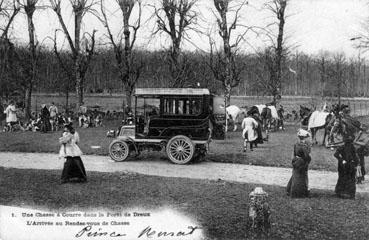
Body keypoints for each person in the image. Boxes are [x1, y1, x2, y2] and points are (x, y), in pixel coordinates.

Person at [286, 129, 311, 198]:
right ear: (304, 137)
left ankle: (290, 190)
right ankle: (301, 192)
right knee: (302, 176)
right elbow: (306, 156)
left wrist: (294, 160)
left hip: (296, 160)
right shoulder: (304, 146)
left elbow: (294, 153)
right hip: (302, 161)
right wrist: (308, 161)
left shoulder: (296, 144)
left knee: (295, 175)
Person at [334, 134, 359, 199]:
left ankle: (343, 192)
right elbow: (336, 154)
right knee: (346, 178)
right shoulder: (344, 147)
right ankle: (346, 193)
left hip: (348, 164)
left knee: (346, 178)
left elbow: (355, 156)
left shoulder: (351, 147)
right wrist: (342, 160)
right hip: (344, 164)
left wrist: (356, 163)